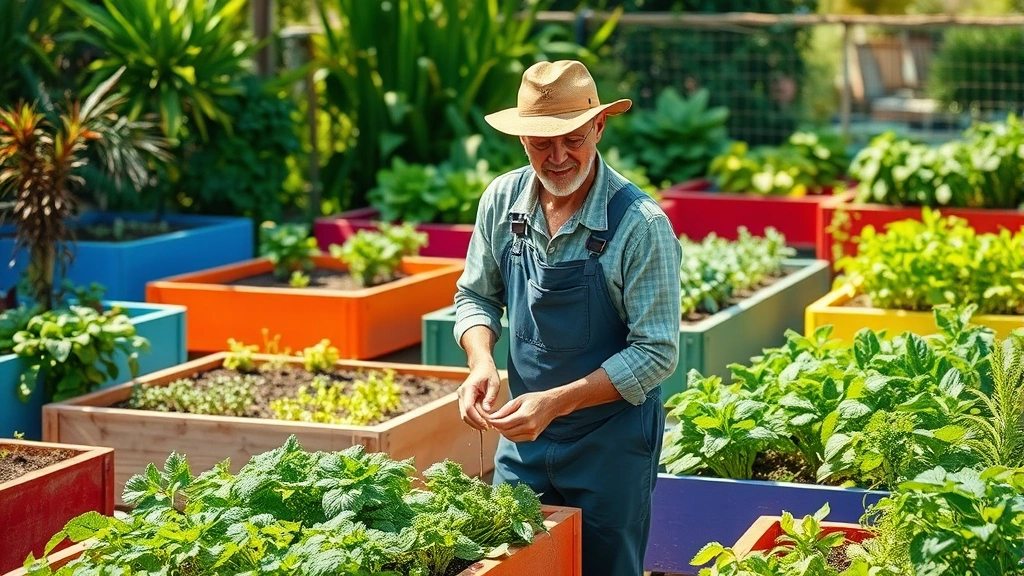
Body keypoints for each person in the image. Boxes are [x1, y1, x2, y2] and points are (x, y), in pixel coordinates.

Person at [452, 60, 682, 576]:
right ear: (521, 139)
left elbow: (656, 352)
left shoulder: (640, 226)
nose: (557, 158)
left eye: (573, 140)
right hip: (525, 439)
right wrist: (481, 362)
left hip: (612, 443)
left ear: (599, 127)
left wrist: (558, 401)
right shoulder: (501, 201)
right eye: (540, 143)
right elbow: (475, 296)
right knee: (515, 563)